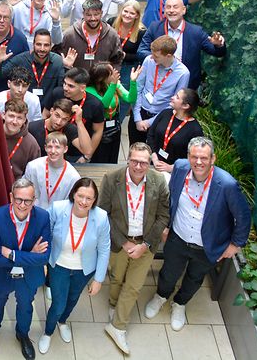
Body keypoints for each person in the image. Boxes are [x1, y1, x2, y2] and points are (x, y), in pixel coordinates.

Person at [145, 137, 251, 331]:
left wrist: (234, 245)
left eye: (204, 157)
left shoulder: (227, 185)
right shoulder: (179, 168)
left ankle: (180, 303)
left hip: (207, 244)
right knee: (169, 272)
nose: (198, 162)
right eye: (194, 156)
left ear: (213, 159)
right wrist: (166, 226)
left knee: (195, 277)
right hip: (178, 237)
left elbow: (243, 217)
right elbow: (171, 199)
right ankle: (161, 296)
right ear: (188, 157)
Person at [97, 143, 170, 354]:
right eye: (135, 161)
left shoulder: (158, 181)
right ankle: (113, 304)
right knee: (117, 277)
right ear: (128, 160)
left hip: (147, 242)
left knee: (134, 285)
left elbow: (163, 216)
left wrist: (145, 245)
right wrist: (124, 242)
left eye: (144, 162)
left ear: (149, 163)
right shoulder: (112, 179)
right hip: (119, 240)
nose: (139, 166)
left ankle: (117, 327)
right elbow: (104, 214)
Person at [40, 178, 111, 353]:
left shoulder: (101, 217)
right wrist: (43, 262)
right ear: (73, 194)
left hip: (83, 269)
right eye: (80, 196)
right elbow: (45, 234)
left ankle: (62, 322)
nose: (84, 202)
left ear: (95, 200)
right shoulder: (58, 209)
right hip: (59, 266)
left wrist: (98, 279)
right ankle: (48, 332)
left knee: (72, 299)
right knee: (58, 303)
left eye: (89, 198)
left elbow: (104, 249)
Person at [0, 178, 51, 360]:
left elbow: (44, 257)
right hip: (0, 274)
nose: (22, 205)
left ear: (34, 199)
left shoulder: (43, 217)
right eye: (18, 199)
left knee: (25, 307)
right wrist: (30, 255)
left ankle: (22, 334)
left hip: (28, 277)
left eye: (27, 200)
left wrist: (13, 255)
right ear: (11, 197)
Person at [138, 0, 227, 89]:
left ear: (184, 10)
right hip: (158, 82)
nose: (171, 10)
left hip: (186, 86)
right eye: (168, 7)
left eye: (175, 7)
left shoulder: (196, 32)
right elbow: (141, 51)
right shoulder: (154, 28)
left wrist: (219, 45)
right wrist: (157, 58)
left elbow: (217, 52)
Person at [130, 36, 190, 145]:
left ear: (168, 56)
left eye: (156, 56)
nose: (152, 58)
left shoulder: (183, 73)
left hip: (161, 117)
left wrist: (149, 123)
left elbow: (175, 103)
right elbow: (137, 89)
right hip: (140, 112)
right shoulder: (148, 61)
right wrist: (137, 118)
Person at [3, 29, 66, 106]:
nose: (42, 49)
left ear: (51, 46)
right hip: (22, 108)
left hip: (47, 110)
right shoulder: (20, 59)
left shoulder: (57, 61)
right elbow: (0, 75)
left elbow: (61, 89)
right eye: (39, 44)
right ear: (33, 44)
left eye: (46, 45)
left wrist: (67, 67)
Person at [148, 88, 204, 171]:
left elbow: (195, 157)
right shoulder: (165, 113)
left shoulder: (195, 130)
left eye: (177, 97)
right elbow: (150, 134)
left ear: (185, 106)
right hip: (153, 163)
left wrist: (171, 168)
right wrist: (154, 157)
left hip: (175, 172)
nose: (172, 97)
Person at [61, 0, 125, 70]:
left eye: (96, 14)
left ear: (101, 13)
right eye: (88, 15)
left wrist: (112, 75)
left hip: (101, 80)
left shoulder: (112, 35)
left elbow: (117, 60)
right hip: (77, 79)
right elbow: (59, 56)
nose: (93, 18)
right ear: (83, 14)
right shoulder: (69, 34)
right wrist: (65, 67)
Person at [23, 133, 81, 211]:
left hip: (58, 216)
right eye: (50, 147)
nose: (53, 151)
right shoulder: (33, 167)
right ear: (45, 148)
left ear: (65, 149)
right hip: (33, 213)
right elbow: (23, 190)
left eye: (57, 147)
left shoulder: (73, 177)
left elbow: (70, 205)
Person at [2, 99, 41, 180]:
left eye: (19, 118)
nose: (15, 121)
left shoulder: (31, 144)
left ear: (24, 120)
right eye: (11, 116)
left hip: (16, 187)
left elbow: (33, 174)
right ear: (3, 115)